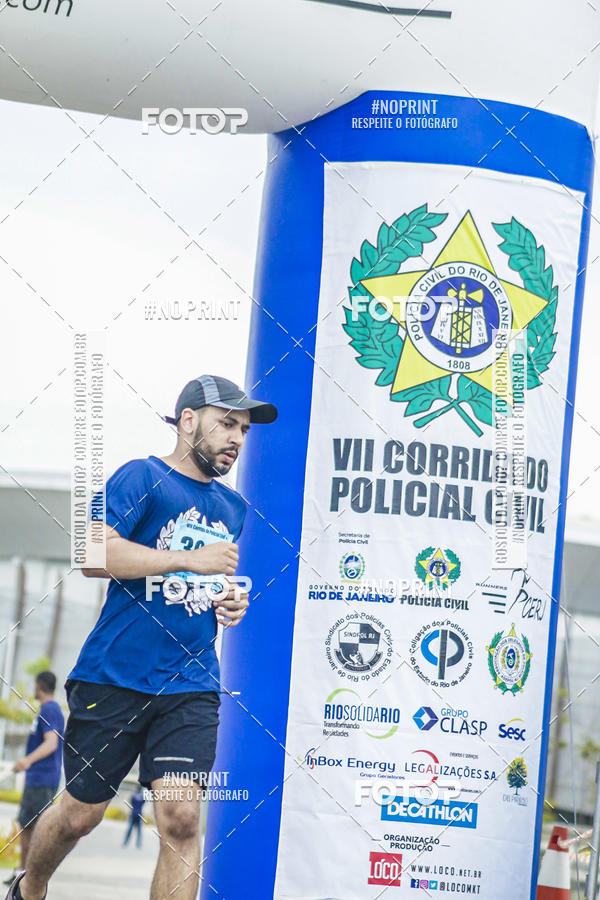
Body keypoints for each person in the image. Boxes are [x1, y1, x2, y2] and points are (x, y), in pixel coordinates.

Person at [6, 375, 277, 900]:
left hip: (190, 684)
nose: (237, 439)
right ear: (188, 421)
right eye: (227, 423)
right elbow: (94, 555)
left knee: (180, 820)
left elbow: (206, 583)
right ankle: (31, 885)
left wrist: (230, 598)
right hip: (114, 676)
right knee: (81, 815)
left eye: (243, 430)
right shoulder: (140, 477)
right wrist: (188, 559)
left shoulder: (233, 508)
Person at [4, 672, 64, 889]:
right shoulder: (45, 711)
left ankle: (33, 879)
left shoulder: (50, 709)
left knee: (37, 828)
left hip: (42, 778)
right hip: (35, 779)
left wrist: (27, 761)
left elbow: (51, 743)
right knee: (27, 827)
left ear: (40, 685)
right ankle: (21, 874)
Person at [122, 784, 145, 849]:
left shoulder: (133, 796)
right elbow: (143, 803)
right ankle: (138, 844)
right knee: (139, 830)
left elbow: (131, 803)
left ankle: (125, 842)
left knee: (130, 829)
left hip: (133, 813)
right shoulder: (142, 797)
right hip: (139, 813)